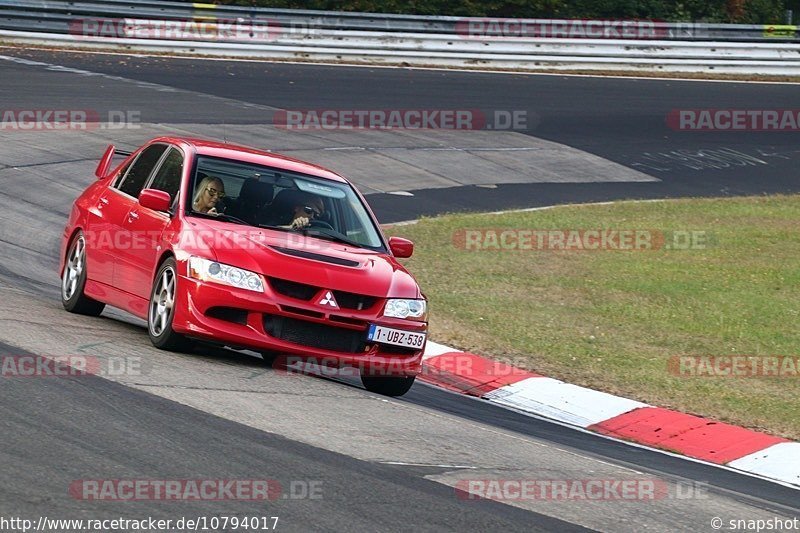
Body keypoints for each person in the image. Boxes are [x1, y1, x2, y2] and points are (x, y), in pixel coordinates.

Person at [260, 189, 325, 229]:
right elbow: (265, 233)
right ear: (297, 208)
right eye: (308, 210)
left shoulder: (319, 230)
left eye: (316, 215)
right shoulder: (277, 220)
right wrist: (291, 227)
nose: (312, 216)